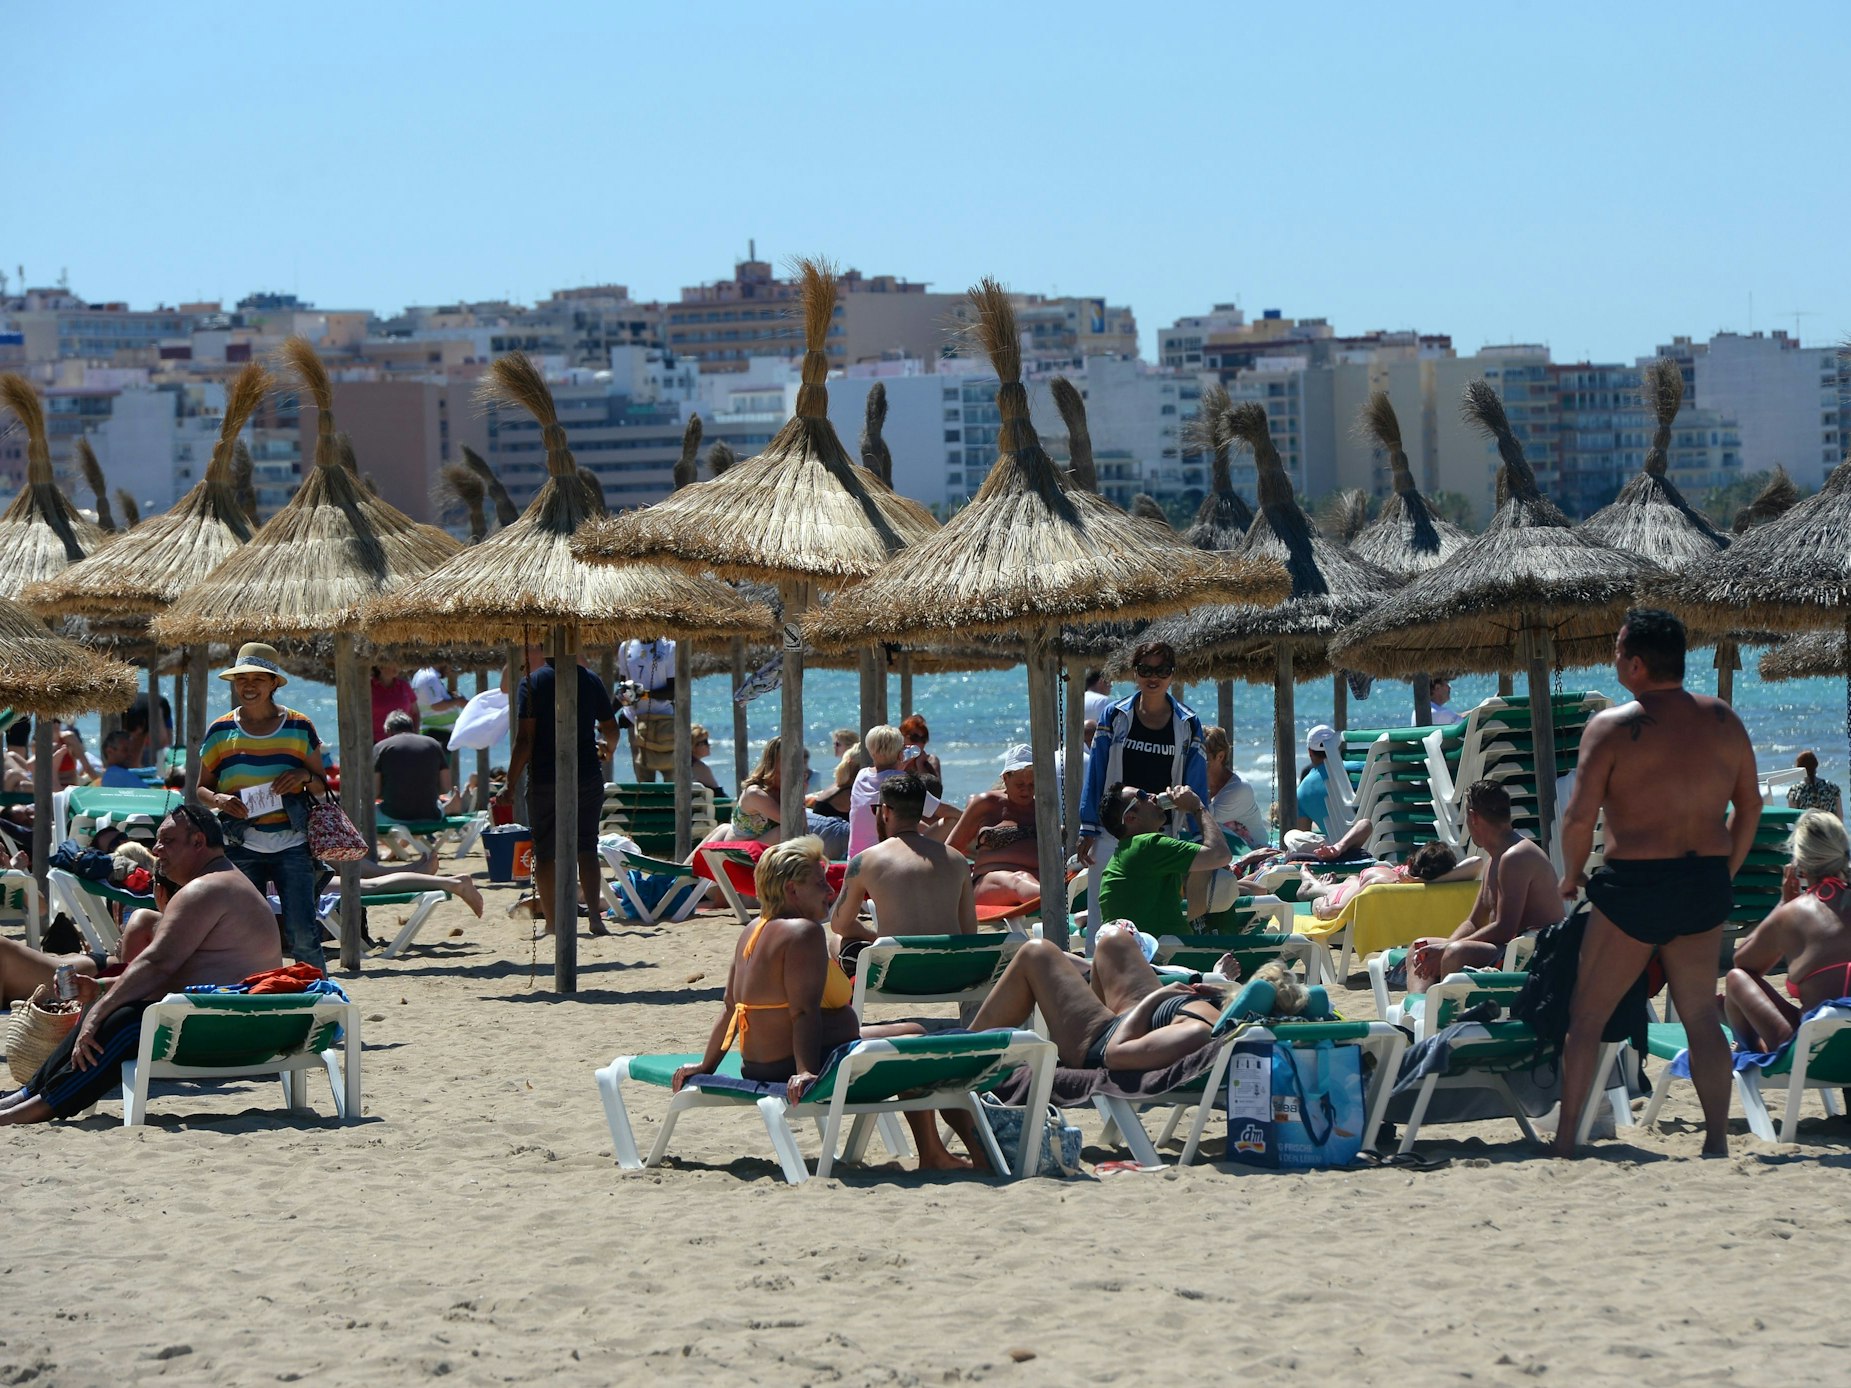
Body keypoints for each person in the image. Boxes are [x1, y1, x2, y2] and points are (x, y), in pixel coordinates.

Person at [1554, 607, 1760, 1158]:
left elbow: (1578, 817)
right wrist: (1727, 870)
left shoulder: (1613, 727)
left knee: (1587, 1015)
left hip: (1637, 887)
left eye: (1619, 651)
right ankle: (1716, 1140)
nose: (1613, 659)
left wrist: (1571, 877)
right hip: (1704, 883)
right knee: (1699, 1014)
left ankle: (1566, 1139)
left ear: (1637, 664)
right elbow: (1751, 807)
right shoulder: (1725, 720)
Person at [670, 836, 979, 1171]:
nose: (829, 893)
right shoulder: (802, 933)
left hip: (758, 1063)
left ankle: (933, 1151)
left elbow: (731, 1008)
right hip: (794, 1063)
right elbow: (802, 1012)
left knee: (913, 1031)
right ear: (792, 890)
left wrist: (706, 1066)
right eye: (819, 884)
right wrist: (806, 1072)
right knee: (920, 1043)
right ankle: (941, 1152)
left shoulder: (753, 930)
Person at [0, 805, 283, 1125]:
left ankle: (30, 1110)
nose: (156, 850)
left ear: (198, 842)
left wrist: (99, 1012)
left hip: (230, 1029)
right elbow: (182, 973)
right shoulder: (224, 882)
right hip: (241, 1021)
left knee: (121, 1023)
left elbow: (156, 964)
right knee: (105, 1009)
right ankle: (25, 1096)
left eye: (167, 841)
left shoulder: (206, 888)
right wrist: (101, 989)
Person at [196, 643, 331, 971]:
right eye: (242, 679)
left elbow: (322, 786)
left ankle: (321, 1001)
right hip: (241, 845)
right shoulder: (220, 731)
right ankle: (254, 997)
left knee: (302, 933)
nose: (249, 685)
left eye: (258, 678)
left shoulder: (300, 726)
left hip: (294, 843)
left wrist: (302, 774)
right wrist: (218, 800)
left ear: (274, 683)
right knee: (245, 933)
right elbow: (201, 789)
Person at [969, 924, 1255, 1073]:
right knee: (1115, 940)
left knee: (1036, 952)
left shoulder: (1196, 1031)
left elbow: (1115, 1055)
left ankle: (966, 1053)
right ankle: (1078, 979)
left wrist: (1158, 998)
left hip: (1100, 1042)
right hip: (1138, 1018)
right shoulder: (1221, 1010)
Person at [1079, 640, 1209, 934]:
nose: (1154, 676)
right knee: (1104, 916)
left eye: (1162, 670)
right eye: (1145, 669)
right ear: (1134, 673)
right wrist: (1087, 826)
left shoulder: (1187, 723)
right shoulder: (1114, 716)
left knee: (1159, 913)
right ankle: (1100, 971)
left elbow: (1196, 782)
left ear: (1173, 674)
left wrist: (1200, 831)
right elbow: (1096, 773)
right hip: (1115, 829)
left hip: (1162, 834)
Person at [497, 656, 619, 940]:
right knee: (587, 846)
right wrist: (608, 750)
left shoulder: (532, 682)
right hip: (587, 774)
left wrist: (509, 783)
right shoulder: (590, 679)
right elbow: (611, 728)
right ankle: (594, 920)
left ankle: (552, 923)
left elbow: (525, 740)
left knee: (545, 852)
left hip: (545, 777)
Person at [1408, 780, 1559, 986]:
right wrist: (1443, 947)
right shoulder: (1494, 862)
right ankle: (1419, 1011)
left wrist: (1448, 948)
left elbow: (1505, 928)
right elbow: (1474, 922)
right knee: (1419, 948)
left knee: (1455, 953)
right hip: (1508, 949)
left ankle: (1440, 1015)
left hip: (1533, 954)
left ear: (1473, 816)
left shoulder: (1516, 857)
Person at [1724, 810, 1851, 1053]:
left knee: (1736, 978)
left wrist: (1783, 904)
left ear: (1800, 862)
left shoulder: (1793, 913)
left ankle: (1746, 1047)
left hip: (1816, 1054)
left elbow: (1743, 963)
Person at [830, 772, 977, 970]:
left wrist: (873, 936)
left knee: (835, 940)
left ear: (886, 812)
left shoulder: (865, 861)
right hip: (950, 970)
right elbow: (969, 931)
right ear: (920, 813)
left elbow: (840, 925)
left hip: (895, 975)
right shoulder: (957, 859)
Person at [1097, 780, 1233, 938]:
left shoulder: (1131, 852)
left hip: (1140, 952)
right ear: (1131, 818)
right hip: (1161, 955)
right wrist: (1197, 807)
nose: (1152, 796)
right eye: (1142, 795)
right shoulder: (1146, 845)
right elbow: (1221, 854)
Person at [948, 744, 1043, 908]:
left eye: (1032, 785)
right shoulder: (986, 803)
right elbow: (951, 849)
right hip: (988, 882)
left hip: (1037, 880)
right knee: (1017, 880)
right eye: (1020, 785)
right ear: (1005, 778)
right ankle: (1059, 902)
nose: (1026, 791)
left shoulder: (1043, 809)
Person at [846, 725, 948, 859]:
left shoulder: (861, 775)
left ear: (870, 751)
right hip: (883, 861)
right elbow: (951, 814)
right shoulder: (900, 783)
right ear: (901, 754)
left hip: (854, 859)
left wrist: (899, 766)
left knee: (909, 822)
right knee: (951, 820)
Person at [373, 709, 459, 860]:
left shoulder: (382, 747)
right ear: (413, 727)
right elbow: (446, 787)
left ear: (388, 730)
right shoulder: (433, 744)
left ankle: (393, 850)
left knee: (359, 814)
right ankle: (447, 808)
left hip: (395, 815)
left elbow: (374, 791)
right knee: (429, 804)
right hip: (430, 814)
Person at [617, 635, 675, 782]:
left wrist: (643, 694)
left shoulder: (670, 647)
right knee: (643, 783)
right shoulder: (625, 647)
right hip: (636, 721)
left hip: (666, 720)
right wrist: (608, 716)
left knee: (672, 780)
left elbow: (674, 690)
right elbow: (623, 688)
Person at [1203, 725, 1265, 847]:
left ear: (1220, 756)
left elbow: (1206, 821)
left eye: (1203, 757)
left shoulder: (1240, 789)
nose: (1196, 761)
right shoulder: (1201, 781)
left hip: (1253, 850)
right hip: (1224, 848)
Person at [1294, 724, 1340, 841]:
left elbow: (1304, 837)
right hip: (1378, 839)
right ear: (1337, 747)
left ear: (1310, 752)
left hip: (1336, 846)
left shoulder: (1302, 792)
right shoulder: (1359, 768)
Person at [410, 662, 468, 741]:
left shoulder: (422, 675)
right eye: (450, 666)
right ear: (443, 662)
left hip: (435, 732)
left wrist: (450, 697)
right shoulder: (430, 678)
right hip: (437, 733)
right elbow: (436, 705)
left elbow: (431, 699)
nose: (450, 671)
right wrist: (458, 701)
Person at [369, 662, 419, 745]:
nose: (397, 667)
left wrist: (415, 735)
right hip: (375, 743)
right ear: (381, 666)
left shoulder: (404, 686)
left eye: (398, 663)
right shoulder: (369, 687)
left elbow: (415, 712)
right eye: (393, 663)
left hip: (404, 742)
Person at [123, 688, 173, 767]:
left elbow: (163, 741)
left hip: (160, 706)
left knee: (164, 746)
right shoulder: (125, 713)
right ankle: (136, 769)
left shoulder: (157, 711)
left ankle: (160, 772)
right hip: (135, 710)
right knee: (135, 747)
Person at [898, 714, 944, 799]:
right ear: (902, 737)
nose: (919, 743)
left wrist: (920, 765)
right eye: (914, 738)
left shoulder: (931, 761)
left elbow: (936, 793)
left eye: (923, 739)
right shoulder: (895, 759)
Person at [1787, 751, 1843, 817]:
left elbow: (1794, 820)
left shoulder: (1795, 791)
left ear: (1799, 768)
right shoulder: (1832, 788)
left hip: (1807, 827)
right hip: (1829, 826)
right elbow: (1840, 818)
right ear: (1816, 765)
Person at [689, 724, 724, 796]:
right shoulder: (699, 768)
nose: (709, 745)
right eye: (705, 742)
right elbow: (719, 795)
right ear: (693, 746)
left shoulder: (681, 765)